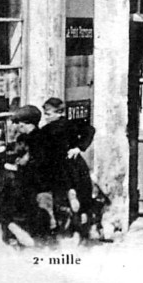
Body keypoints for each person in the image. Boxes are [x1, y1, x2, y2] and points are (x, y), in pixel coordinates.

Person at [38, 97, 96, 238]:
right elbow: (90, 129)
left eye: (48, 114)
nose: (46, 117)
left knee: (60, 198)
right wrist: (79, 148)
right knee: (80, 195)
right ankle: (80, 229)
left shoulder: (46, 131)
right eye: (45, 114)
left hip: (59, 168)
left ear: (59, 113)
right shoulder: (72, 124)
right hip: (74, 165)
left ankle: (65, 230)